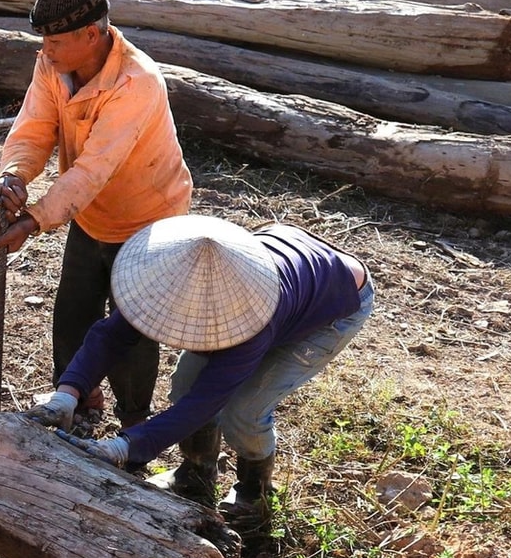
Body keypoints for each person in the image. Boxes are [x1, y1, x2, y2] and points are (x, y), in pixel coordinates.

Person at [29, 215, 375, 536]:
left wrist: (123, 448)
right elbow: (111, 334)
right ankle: (195, 475)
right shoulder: (165, 277)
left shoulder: (251, 320)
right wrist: (67, 393)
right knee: (183, 384)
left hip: (337, 298)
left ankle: (255, 496)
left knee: (245, 411)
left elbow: (206, 401)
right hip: (287, 252)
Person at [0, 0, 193, 431]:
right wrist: (15, 174)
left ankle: (134, 425)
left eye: (56, 42)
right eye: (45, 41)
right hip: (90, 214)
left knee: (131, 330)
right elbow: (36, 127)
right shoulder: (54, 63)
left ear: (93, 34)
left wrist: (35, 219)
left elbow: (93, 169)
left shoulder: (134, 83)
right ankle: (76, 408)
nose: (46, 51)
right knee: (74, 315)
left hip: (148, 218)